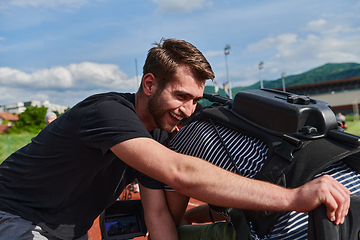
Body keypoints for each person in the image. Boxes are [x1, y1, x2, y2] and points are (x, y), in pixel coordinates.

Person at [0, 38, 350, 240]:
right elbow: (181, 172)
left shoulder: (158, 134)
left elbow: (158, 216)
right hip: (12, 215)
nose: (189, 109)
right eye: (181, 96)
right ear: (149, 84)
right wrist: (293, 197)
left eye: (196, 99)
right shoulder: (107, 112)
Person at [139, 116, 360, 239]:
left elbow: (171, 221)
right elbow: (241, 195)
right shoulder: (239, 125)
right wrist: (196, 215)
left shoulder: (178, 143)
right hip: (349, 195)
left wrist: (185, 220)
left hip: (299, 229)